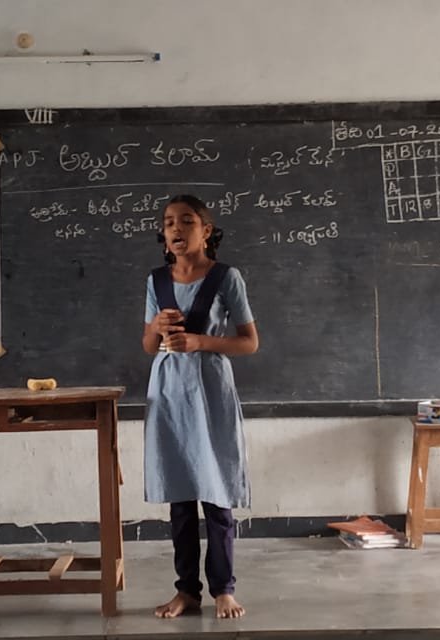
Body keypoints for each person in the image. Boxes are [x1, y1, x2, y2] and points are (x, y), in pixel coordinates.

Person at [141, 194, 259, 619]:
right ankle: (187, 590)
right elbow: (148, 346)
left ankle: (224, 588)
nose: (176, 228)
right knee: (180, 496)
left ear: (206, 231)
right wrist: (157, 327)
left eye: (186, 221)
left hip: (210, 391)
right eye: (169, 222)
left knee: (216, 490)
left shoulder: (226, 277)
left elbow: (249, 342)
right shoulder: (157, 280)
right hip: (169, 393)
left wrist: (199, 341)